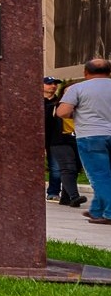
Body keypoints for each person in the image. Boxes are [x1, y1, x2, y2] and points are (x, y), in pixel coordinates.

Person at [55, 58, 111, 225]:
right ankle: (97, 210)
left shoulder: (77, 88)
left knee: (99, 175)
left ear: (85, 73)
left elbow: (62, 112)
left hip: (91, 135)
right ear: (109, 72)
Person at [46, 78, 83, 206]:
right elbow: (47, 127)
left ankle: (66, 198)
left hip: (78, 140)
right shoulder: (53, 107)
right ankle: (74, 196)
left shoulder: (84, 108)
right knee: (68, 167)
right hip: (59, 141)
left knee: (76, 169)